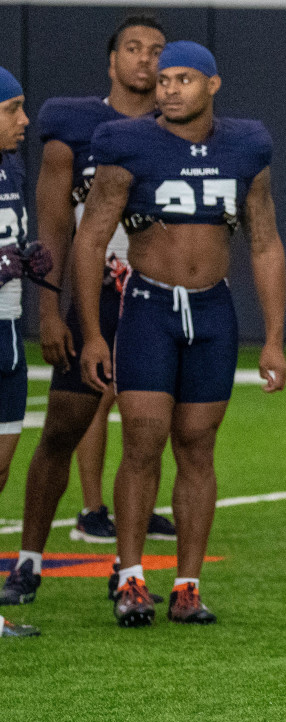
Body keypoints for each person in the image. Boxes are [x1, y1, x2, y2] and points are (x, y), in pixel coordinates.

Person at [74, 41, 286, 627]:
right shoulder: (128, 143)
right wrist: (93, 332)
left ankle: (188, 584)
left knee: (198, 444)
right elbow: (91, 238)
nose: (168, 88)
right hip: (148, 307)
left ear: (213, 85)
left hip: (213, 311)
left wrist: (274, 337)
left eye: (184, 78)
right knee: (142, 441)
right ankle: (132, 576)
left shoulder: (245, 144)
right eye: (163, 78)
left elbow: (264, 241)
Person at [0, 18, 178, 612]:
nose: (146, 61)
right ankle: (28, 559)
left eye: (157, 51)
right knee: (61, 429)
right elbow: (51, 226)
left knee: (150, 436)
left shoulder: (180, 131)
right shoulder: (73, 126)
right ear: (110, 60)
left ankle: (127, 570)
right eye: (134, 48)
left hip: (154, 301)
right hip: (92, 295)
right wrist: (51, 311)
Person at [0, 67, 48, 620]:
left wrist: (27, 255)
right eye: (12, 108)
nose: (24, 120)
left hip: (9, 331)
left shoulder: (10, 167)